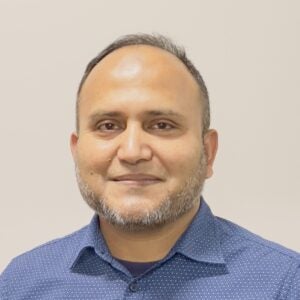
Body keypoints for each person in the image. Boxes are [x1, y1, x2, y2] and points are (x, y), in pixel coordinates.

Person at [0, 33, 299, 300]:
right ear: (77, 151)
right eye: (108, 125)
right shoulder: (20, 284)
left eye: (161, 125)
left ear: (208, 152)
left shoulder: (285, 286)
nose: (132, 152)